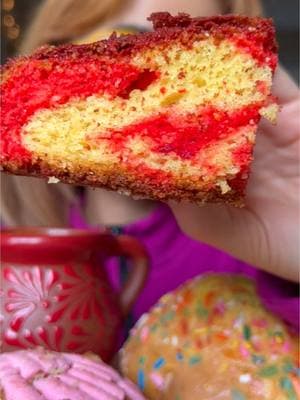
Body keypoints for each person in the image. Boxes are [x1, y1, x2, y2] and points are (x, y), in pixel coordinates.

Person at [1, 0, 299, 332]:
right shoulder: (11, 243)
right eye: (123, 41)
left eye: (192, 56)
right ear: (51, 59)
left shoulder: (252, 253)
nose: (154, 90)